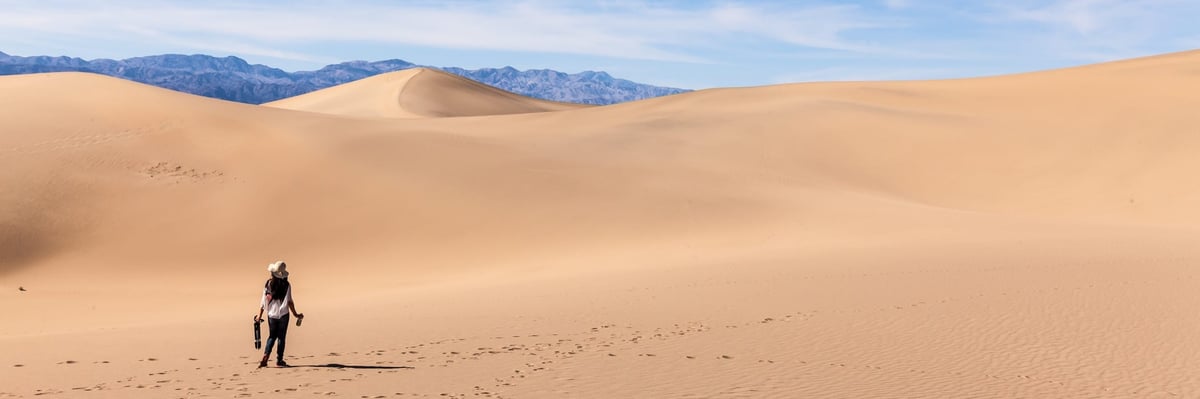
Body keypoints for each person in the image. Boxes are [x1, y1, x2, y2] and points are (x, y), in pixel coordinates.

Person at [255, 260, 303, 368]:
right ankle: (279, 360)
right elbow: (290, 302)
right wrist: (296, 314)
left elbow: (264, 301)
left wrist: (259, 316)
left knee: (272, 336)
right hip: (284, 314)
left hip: (271, 315)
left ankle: (265, 357)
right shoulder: (286, 285)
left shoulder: (268, 284)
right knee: (281, 337)